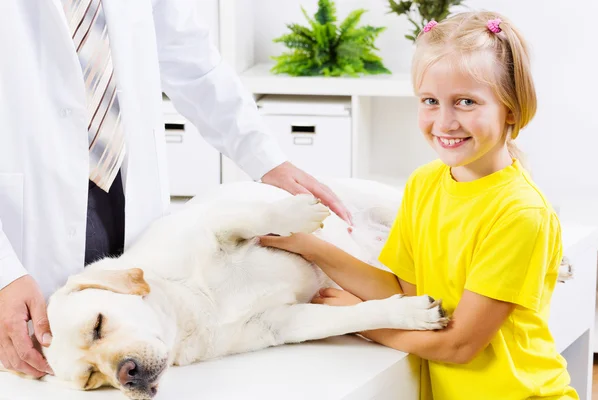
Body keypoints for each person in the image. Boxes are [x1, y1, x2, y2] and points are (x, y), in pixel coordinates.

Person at [0, 0, 352, 379]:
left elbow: (191, 59)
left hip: (127, 196)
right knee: (60, 373)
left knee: (141, 363)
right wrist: (4, 274)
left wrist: (265, 158)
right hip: (23, 235)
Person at [260, 11, 577, 400]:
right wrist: (311, 246)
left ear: (510, 109)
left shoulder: (521, 214)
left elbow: (459, 345)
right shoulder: (425, 184)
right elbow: (410, 297)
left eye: (465, 102)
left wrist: (354, 320)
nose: (445, 122)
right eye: (430, 101)